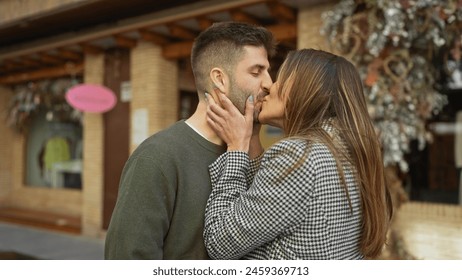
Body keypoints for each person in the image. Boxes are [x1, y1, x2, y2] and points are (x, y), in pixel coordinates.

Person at [104, 22, 276, 259]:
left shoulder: (251, 151)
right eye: (256, 72)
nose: (269, 83)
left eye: (268, 71)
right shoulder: (156, 158)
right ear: (219, 79)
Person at [204, 48, 393, 260]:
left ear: (304, 88)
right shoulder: (348, 150)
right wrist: (252, 137)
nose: (269, 86)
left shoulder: (299, 156)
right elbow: (268, 206)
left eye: (281, 78)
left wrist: (237, 148)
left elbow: (220, 243)